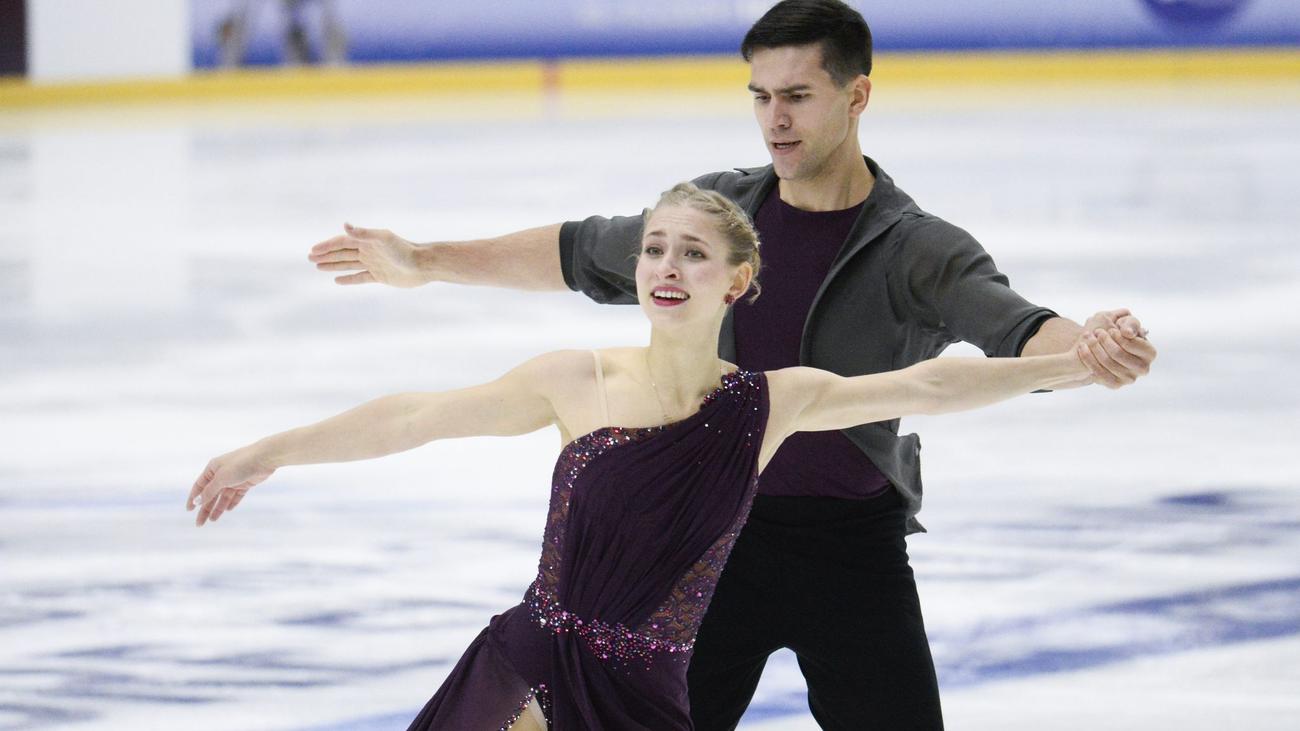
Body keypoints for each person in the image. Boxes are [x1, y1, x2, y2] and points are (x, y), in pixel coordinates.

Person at [304, 2, 1158, 728]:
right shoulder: (718, 220)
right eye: (761, 97)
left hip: (851, 553)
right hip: (705, 549)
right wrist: (425, 259)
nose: (775, 119)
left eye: (798, 96)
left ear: (857, 96)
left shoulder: (914, 247)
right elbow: (579, 252)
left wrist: (1090, 347)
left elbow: (1014, 325)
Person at [192, 183, 1103, 730]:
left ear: (737, 280)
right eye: (655, 249)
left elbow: (929, 385)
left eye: (693, 253)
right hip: (531, 669)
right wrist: (270, 451)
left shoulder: (769, 403)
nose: (666, 265)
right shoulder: (576, 378)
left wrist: (1070, 363)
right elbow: (417, 417)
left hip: (646, 694)